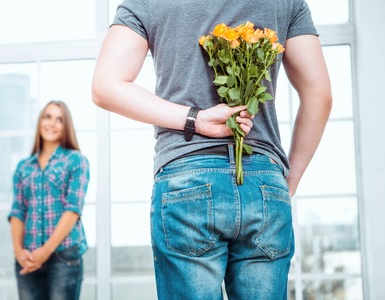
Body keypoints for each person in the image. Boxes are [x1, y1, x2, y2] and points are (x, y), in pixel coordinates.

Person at [92, 0, 332, 299]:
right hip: (264, 182)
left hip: (187, 177)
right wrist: (288, 181)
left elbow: (105, 86)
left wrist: (195, 119)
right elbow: (319, 94)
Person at [8, 100, 90, 300]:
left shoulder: (76, 161)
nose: (52, 123)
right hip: (28, 257)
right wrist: (19, 252)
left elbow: (73, 209)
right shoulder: (23, 167)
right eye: (47, 117)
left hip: (64, 257)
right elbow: (17, 211)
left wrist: (45, 251)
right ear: (40, 121)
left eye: (59, 119)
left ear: (66, 126)